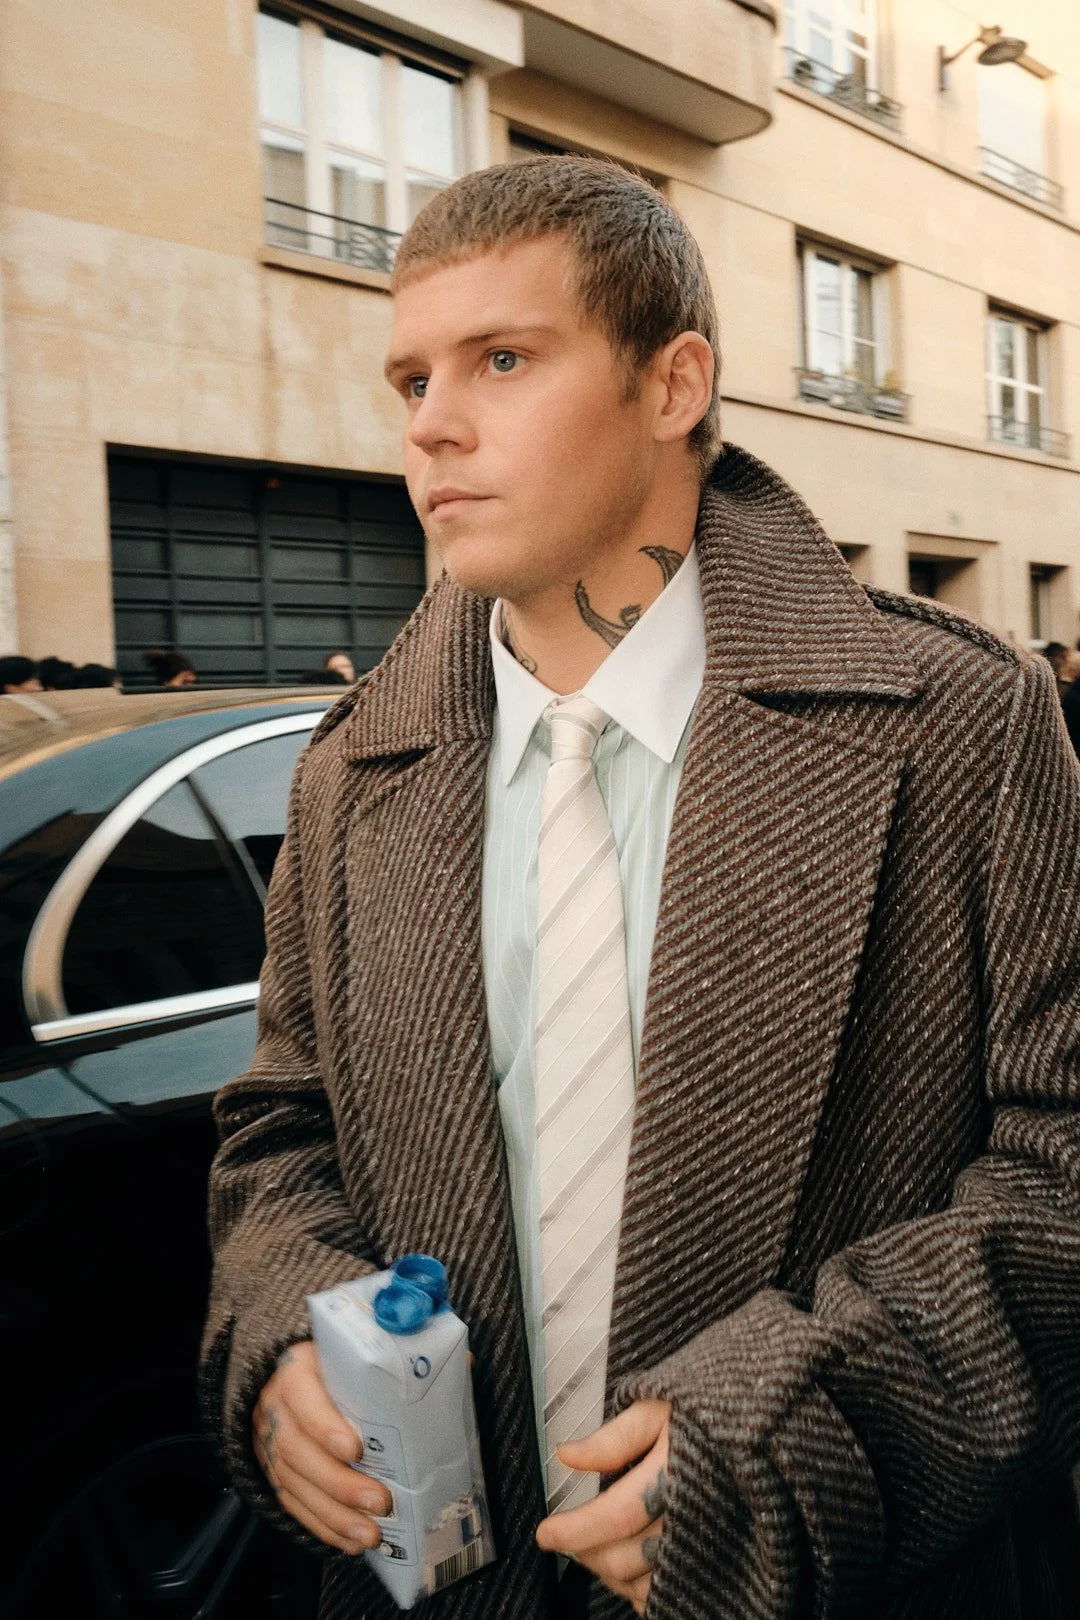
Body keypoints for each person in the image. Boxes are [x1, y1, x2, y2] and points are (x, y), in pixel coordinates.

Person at [201, 158, 1080, 1620]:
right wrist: (287, 1340)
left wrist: (798, 1434)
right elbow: (278, 1131)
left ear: (673, 385)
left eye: (502, 358)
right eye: (409, 376)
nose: (430, 423)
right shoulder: (352, 768)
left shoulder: (960, 721)